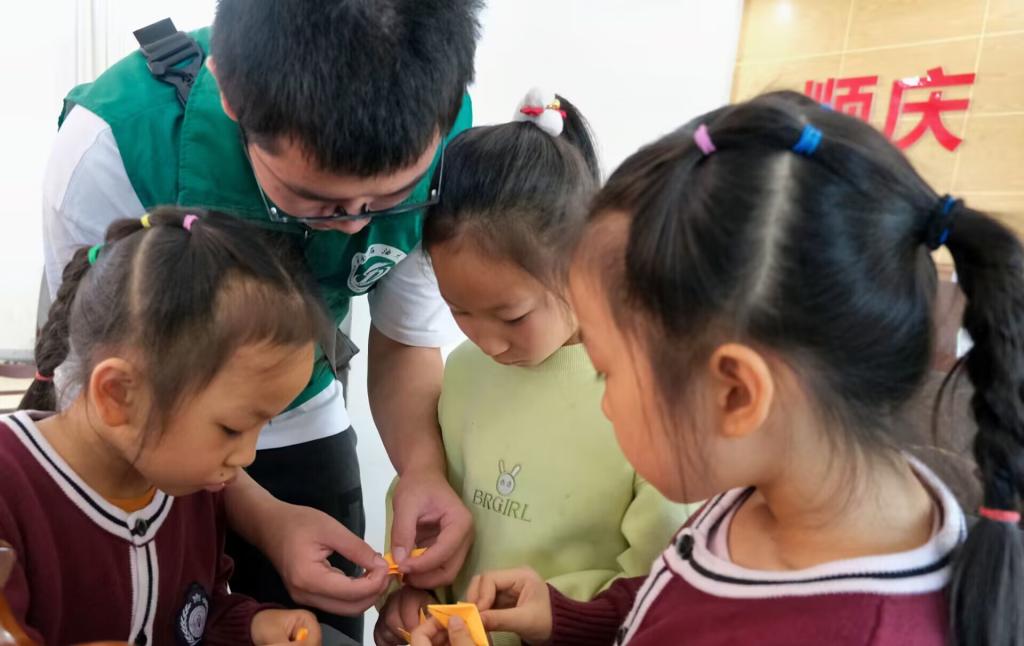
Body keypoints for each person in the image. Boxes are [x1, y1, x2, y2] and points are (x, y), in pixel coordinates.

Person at [416, 90, 1024, 645]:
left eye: (607, 373)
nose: (603, 403)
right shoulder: (763, 497)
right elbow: (670, 599)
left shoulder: (862, 629)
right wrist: (565, 615)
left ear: (735, 393)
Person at [41, 0, 482, 638]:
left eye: (391, 199)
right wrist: (264, 517)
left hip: (300, 409)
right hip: (150, 433)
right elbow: (101, 396)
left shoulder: (440, 126)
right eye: (317, 201)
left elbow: (406, 340)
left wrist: (422, 468)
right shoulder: (112, 144)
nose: (356, 224)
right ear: (230, 95)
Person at [374, 90, 693, 646]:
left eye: (511, 316)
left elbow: (658, 582)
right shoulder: (465, 372)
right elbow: (425, 500)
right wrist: (412, 593)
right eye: (458, 310)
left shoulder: (644, 395)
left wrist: (555, 616)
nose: (487, 341)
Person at [4, 209, 327, 645]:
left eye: (263, 424)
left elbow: (194, 614)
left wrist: (254, 627)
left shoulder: (185, 484)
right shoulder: (10, 490)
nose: (247, 456)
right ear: (119, 395)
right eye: (232, 428)